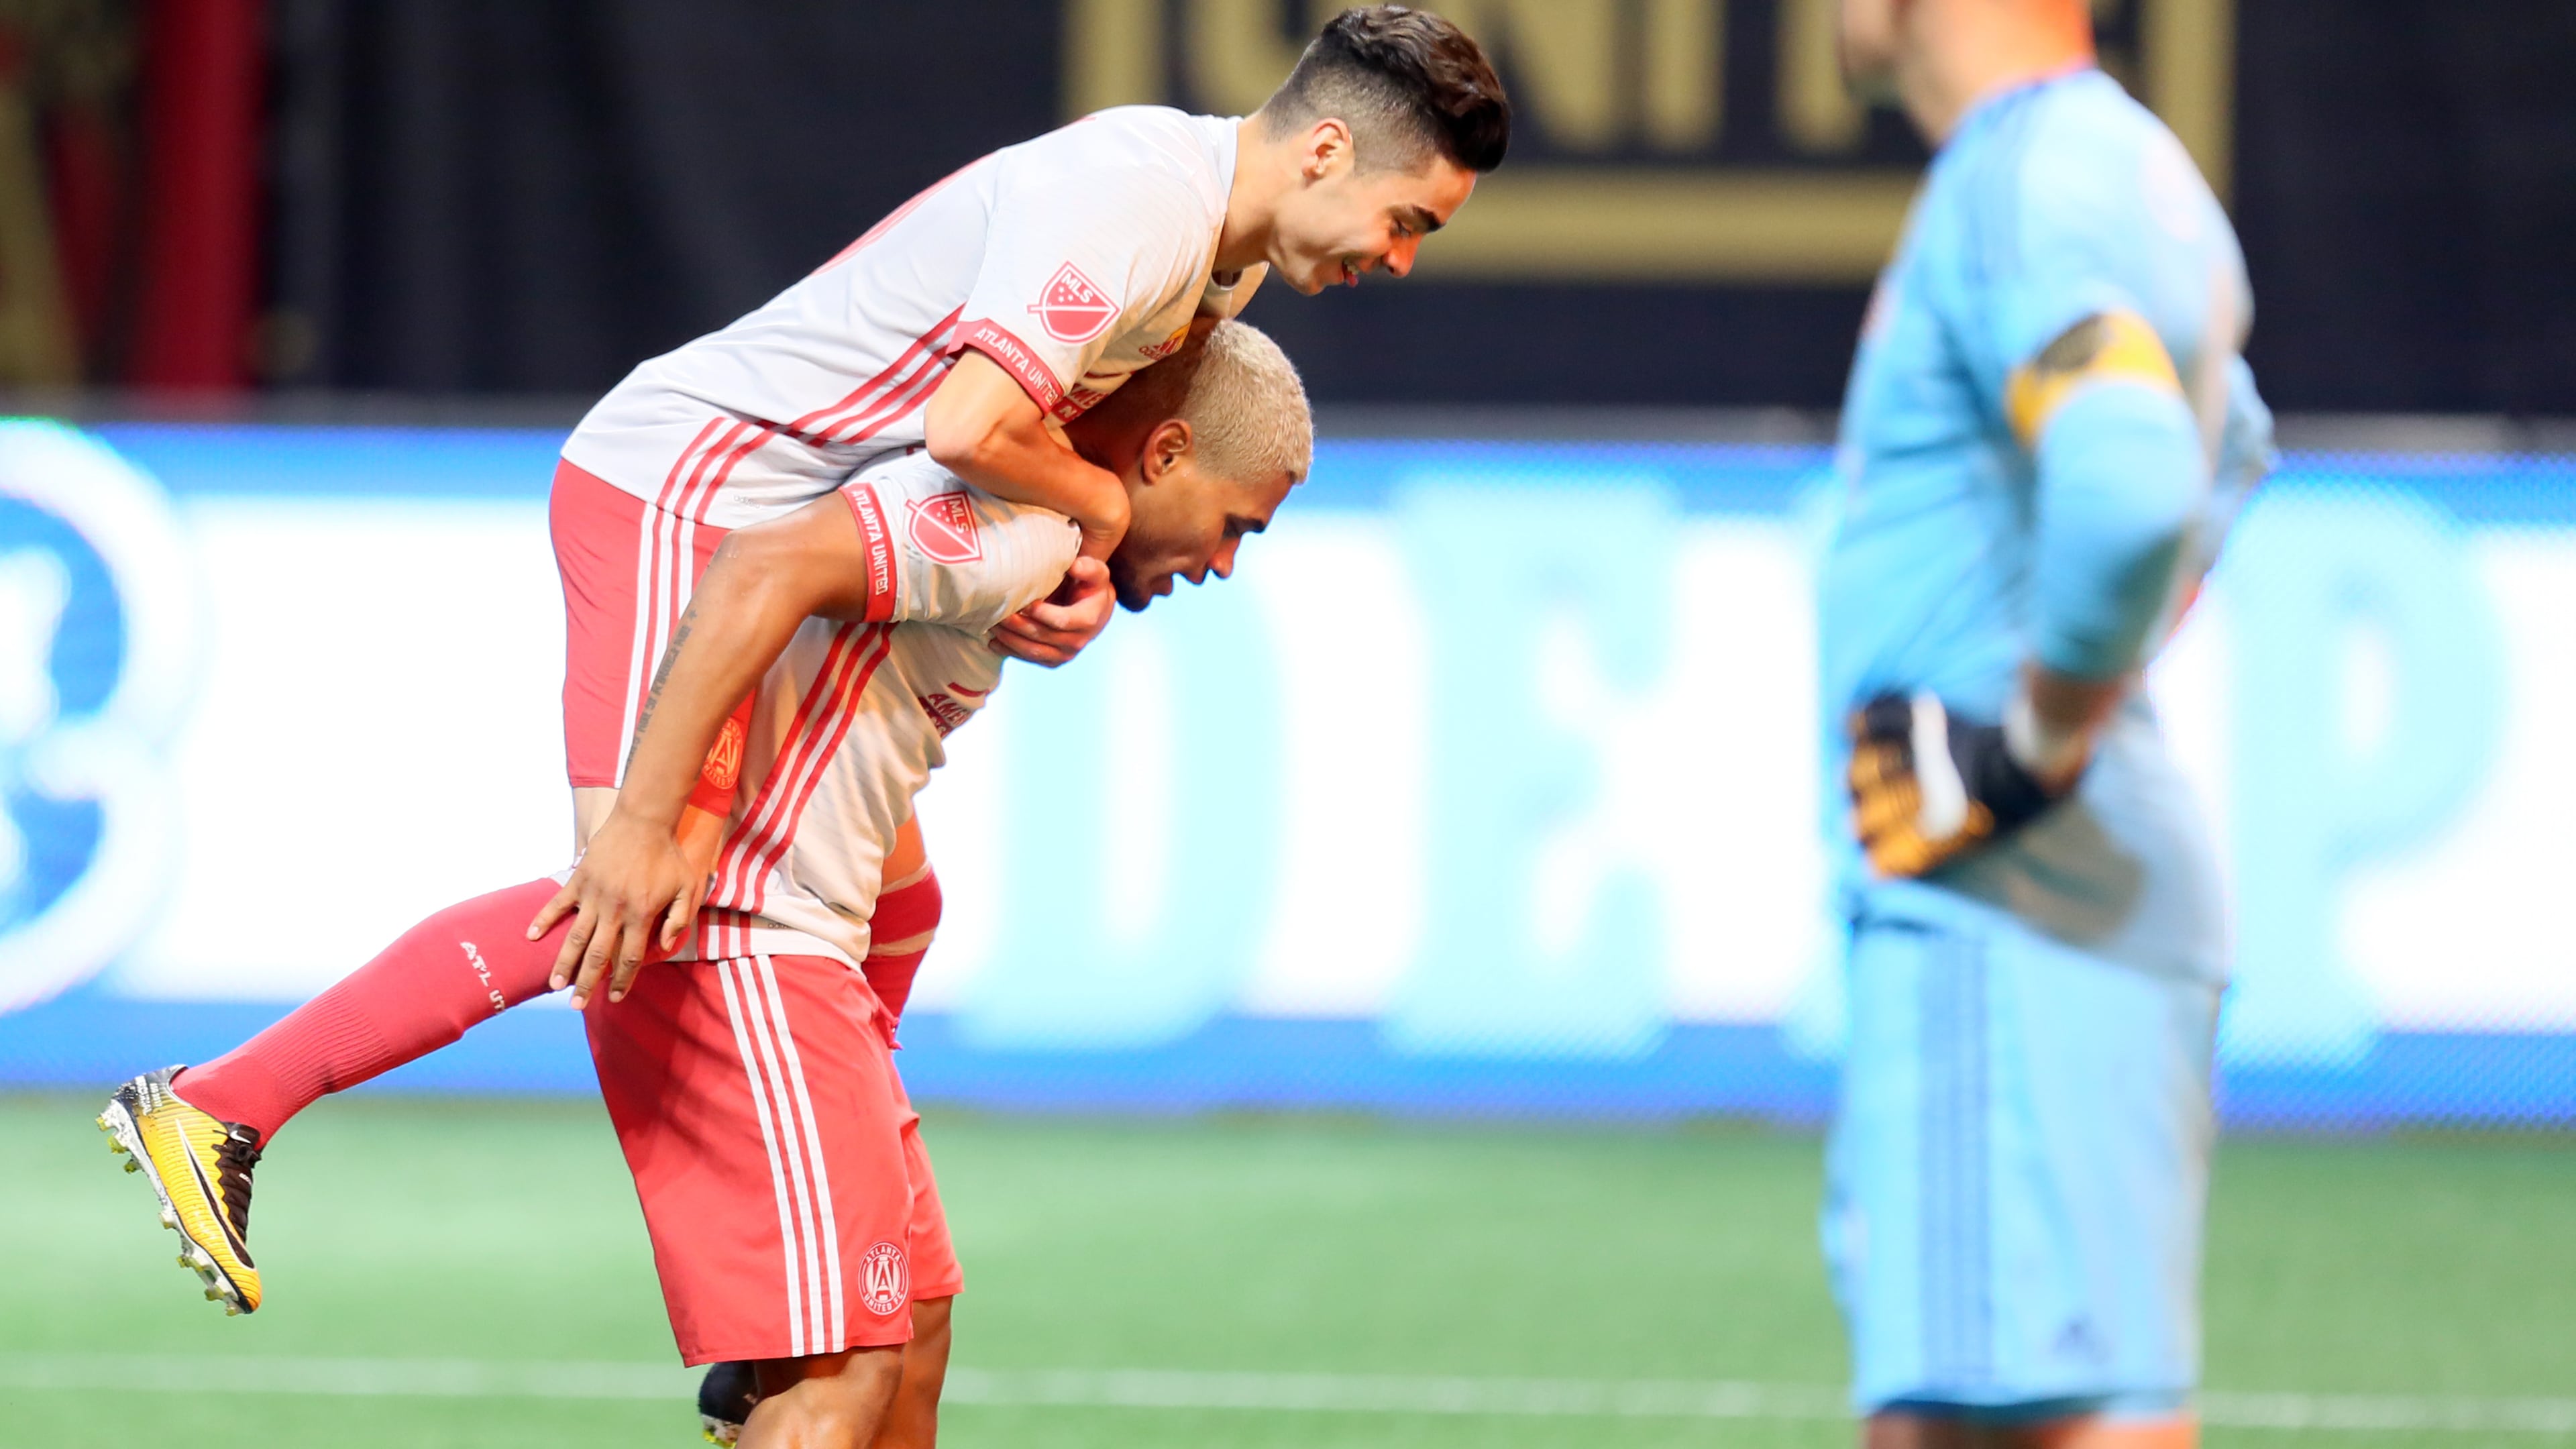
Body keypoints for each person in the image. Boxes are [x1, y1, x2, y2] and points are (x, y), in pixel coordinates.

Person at [95, 0, 1505, 1320]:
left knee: (894, 892)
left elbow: (1058, 444)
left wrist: (1074, 568)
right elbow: (972, 429)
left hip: (789, 524)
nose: (1399, 259)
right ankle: (223, 1104)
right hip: (692, 494)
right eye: (1406, 220)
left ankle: (823, 1187)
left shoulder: (1223, 254)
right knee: (648, 883)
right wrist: (1100, 515)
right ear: (1328, 150)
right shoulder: (1142, 202)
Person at [108, 319, 1311, 1449]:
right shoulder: (1016, 525)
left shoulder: (1044, 541)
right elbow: (766, 565)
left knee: (915, 1323)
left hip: (804, 951)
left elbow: (893, 861)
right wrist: (657, 816)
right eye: (1237, 525)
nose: (1224, 561)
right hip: (761, 945)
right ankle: (232, 1098)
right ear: (1165, 452)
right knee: (843, 1367)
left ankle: (235, 1098)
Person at [1816, 1, 2274, 1446]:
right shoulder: (2129, 166)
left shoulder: (2024, 176)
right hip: (2085, 917)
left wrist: (2032, 746)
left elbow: (2133, 480)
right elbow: (2229, 456)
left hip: (2000, 922)